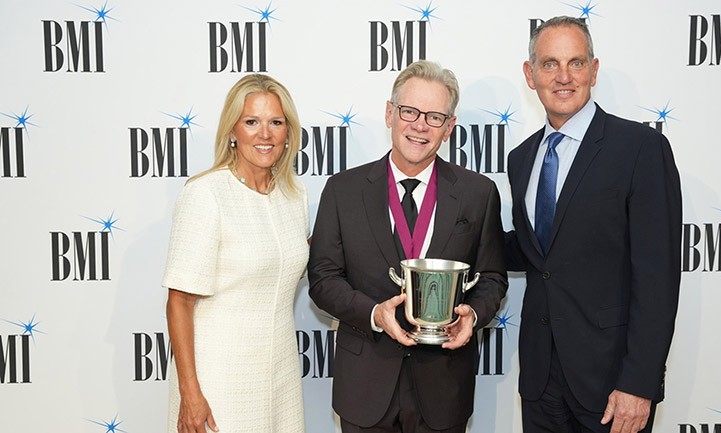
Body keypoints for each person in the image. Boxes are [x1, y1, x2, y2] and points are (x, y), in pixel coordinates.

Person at [307, 60, 508, 433]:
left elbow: (492, 277)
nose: (419, 125)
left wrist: (473, 317)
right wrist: (374, 313)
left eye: (434, 117)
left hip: (444, 386)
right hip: (365, 386)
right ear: (389, 113)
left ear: (449, 128)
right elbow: (322, 279)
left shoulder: (478, 193)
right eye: (410, 111)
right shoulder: (342, 190)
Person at [505, 16, 682, 433]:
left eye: (576, 63)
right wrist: (455, 230)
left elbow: (657, 278)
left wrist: (639, 384)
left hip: (611, 385)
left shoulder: (640, 148)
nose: (563, 77)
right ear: (530, 75)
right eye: (549, 64)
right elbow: (536, 253)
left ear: (594, 70)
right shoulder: (521, 158)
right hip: (540, 381)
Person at [162, 73, 308, 433]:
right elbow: (179, 300)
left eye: (276, 122)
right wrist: (190, 394)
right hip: (220, 378)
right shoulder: (206, 194)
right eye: (251, 122)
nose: (265, 134)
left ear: (289, 132)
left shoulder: (294, 196)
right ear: (232, 130)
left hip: (282, 374)